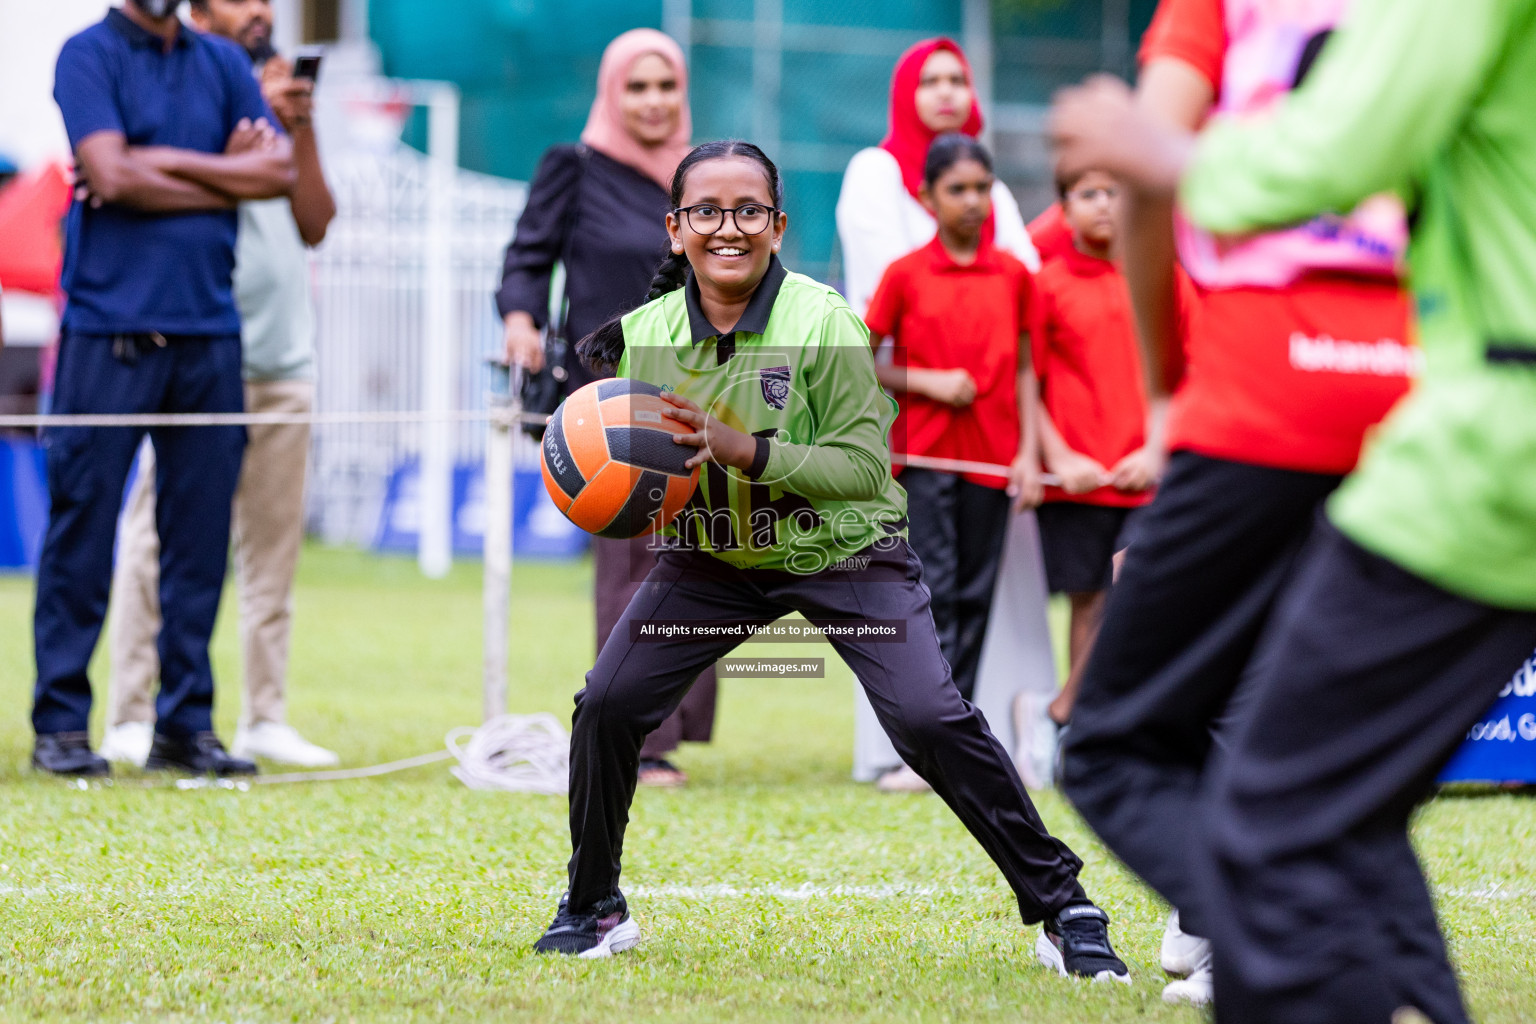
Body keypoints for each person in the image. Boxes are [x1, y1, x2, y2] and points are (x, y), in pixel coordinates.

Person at [529, 139, 1131, 983]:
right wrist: (593, 464)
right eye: (706, 211)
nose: (727, 228)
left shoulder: (825, 321)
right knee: (608, 703)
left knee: (929, 719)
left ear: (777, 226)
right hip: (712, 559)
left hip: (846, 551)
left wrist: (747, 450)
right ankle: (593, 904)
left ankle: (1064, 905)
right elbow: (623, 452)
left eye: (748, 211)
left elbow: (861, 468)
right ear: (675, 229)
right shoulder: (649, 333)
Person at [1054, 0, 1536, 1019]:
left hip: (1434, 433)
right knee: (1329, 801)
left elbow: (1331, 147)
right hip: (1427, 410)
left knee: (1215, 791)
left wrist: (1160, 156)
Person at [31, 0, 295, 778]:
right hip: (107, 332)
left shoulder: (219, 62)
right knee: (82, 533)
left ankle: (185, 725)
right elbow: (106, 174)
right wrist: (223, 174)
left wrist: (155, 167)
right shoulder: (86, 55)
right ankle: (62, 726)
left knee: (198, 542)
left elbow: (275, 171)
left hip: (210, 334)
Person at [98, 0, 339, 769]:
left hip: (283, 360)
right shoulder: (185, 83)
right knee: (155, 542)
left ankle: (265, 714)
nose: (262, 11)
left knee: (272, 553)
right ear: (200, 11)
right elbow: (153, 182)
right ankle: (132, 712)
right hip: (198, 350)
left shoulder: (279, 95)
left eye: (269, 0)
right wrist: (241, 146)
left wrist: (292, 131)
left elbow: (315, 219)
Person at [496, 29, 715, 787]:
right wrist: (520, 322)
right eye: (637, 87)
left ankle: (673, 728)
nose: (653, 102)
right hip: (611, 398)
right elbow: (527, 257)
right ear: (611, 92)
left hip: (702, 392)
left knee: (704, 559)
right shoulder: (576, 167)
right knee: (629, 562)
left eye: (666, 87)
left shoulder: (702, 175)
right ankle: (638, 734)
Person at [835, 37, 1049, 792]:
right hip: (921, 440)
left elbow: (1032, 298)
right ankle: (919, 742)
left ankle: (970, 738)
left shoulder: (1002, 253)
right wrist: (930, 376)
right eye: (930, 79)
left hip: (993, 444)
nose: (948, 90)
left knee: (978, 589)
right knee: (923, 584)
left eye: (960, 77)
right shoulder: (877, 177)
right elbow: (875, 326)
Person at [1031, 168, 1162, 728]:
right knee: (1087, 601)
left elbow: (1190, 378)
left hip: (1151, 476)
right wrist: (1059, 458)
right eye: (1089, 195)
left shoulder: (1162, 277)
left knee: (1136, 584)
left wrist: (1157, 449)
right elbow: (1024, 384)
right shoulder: (1045, 285)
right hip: (1077, 482)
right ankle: (1078, 728)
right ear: (1063, 208)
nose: (1104, 205)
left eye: (1116, 192)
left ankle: (1073, 713)